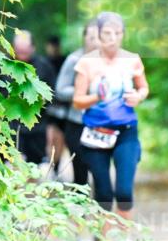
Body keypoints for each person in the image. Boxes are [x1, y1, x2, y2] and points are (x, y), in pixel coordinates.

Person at [73, 12, 149, 220]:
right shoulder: (86, 62)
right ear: (98, 35)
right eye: (107, 33)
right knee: (104, 193)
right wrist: (97, 96)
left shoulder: (132, 59)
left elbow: (143, 88)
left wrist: (138, 96)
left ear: (123, 34)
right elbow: (77, 100)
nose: (112, 38)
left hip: (126, 131)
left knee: (124, 192)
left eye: (117, 33)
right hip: (96, 132)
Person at [55, 20, 100, 187]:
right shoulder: (74, 59)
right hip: (77, 123)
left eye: (99, 37)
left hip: (101, 122)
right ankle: (80, 209)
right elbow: (60, 89)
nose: (95, 41)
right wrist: (82, 92)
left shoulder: (109, 61)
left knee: (99, 170)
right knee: (80, 170)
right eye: (91, 37)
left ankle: (101, 209)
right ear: (84, 38)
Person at [11, 30, 57, 165]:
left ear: (33, 48)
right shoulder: (3, 65)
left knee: (34, 165)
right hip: (10, 124)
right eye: (19, 51)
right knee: (13, 164)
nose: (22, 56)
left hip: (36, 125)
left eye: (25, 52)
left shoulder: (44, 66)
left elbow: (53, 93)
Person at [44, 34, 69, 178]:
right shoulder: (45, 62)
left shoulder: (64, 61)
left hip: (62, 105)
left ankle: (56, 166)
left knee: (59, 139)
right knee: (50, 137)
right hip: (49, 104)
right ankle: (53, 166)